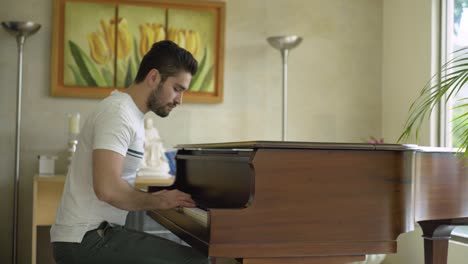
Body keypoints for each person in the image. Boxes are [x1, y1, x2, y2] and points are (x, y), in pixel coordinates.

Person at [50, 40, 207, 264]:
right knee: (196, 262)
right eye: (177, 89)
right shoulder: (118, 113)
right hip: (85, 239)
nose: (179, 100)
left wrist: (161, 197)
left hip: (98, 235)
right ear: (153, 77)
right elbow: (107, 189)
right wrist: (160, 201)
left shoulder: (131, 114)